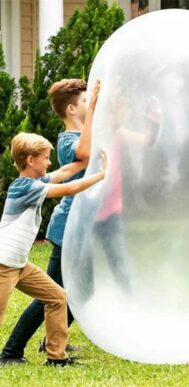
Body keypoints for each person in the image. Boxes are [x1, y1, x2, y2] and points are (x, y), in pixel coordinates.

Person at [0, 79, 100, 362]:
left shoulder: (39, 178)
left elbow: (66, 171)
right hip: (4, 263)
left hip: (20, 262)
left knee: (57, 296)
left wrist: (84, 166)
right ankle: (10, 352)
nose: (49, 163)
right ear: (30, 160)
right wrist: (99, 174)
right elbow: (67, 186)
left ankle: (56, 356)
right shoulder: (24, 186)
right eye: (44, 159)